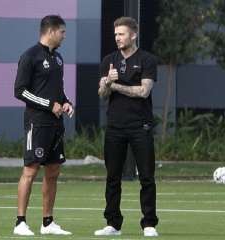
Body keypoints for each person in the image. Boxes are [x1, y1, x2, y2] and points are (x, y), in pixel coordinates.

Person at [95, 16, 159, 237]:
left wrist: (115, 84)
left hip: (140, 125)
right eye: (115, 35)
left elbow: (143, 92)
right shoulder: (109, 60)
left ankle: (149, 224)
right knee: (112, 177)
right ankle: (113, 223)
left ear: (133, 34)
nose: (117, 38)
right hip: (115, 126)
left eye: (121, 34)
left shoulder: (147, 60)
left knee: (147, 176)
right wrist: (105, 83)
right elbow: (102, 94)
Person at [13, 15, 74, 236]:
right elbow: (20, 91)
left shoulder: (58, 58)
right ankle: (20, 222)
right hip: (36, 124)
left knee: (53, 171)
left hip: (55, 125)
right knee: (30, 170)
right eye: (62, 32)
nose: (64, 36)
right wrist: (49, 105)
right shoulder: (30, 56)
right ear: (51, 31)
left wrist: (66, 102)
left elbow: (57, 89)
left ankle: (47, 222)